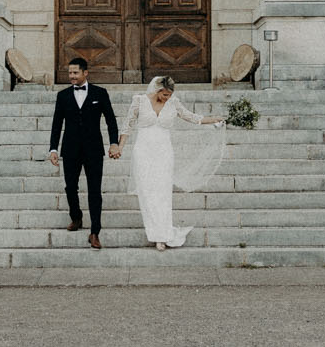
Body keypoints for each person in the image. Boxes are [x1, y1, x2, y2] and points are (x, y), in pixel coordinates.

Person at [124, 75, 225, 250]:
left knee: (162, 192)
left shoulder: (173, 103)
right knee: (147, 193)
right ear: (157, 90)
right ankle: (154, 232)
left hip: (164, 152)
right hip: (143, 151)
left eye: (169, 95)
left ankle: (162, 235)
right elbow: (128, 125)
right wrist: (118, 146)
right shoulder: (139, 101)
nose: (167, 98)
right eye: (164, 95)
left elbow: (192, 117)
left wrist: (213, 119)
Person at [47, 57, 119, 250]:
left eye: (75, 73)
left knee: (95, 190)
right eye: (70, 73)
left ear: (85, 73)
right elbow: (56, 124)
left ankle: (95, 232)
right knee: (70, 187)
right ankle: (76, 217)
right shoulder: (62, 96)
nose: (71, 76)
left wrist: (114, 143)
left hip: (94, 149)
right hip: (70, 149)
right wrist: (53, 148)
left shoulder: (100, 93)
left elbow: (111, 120)